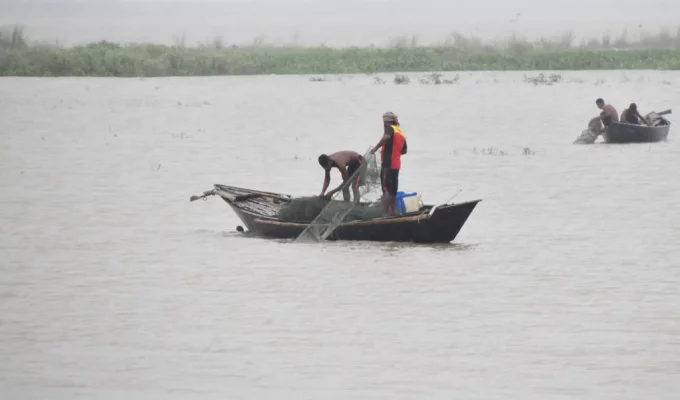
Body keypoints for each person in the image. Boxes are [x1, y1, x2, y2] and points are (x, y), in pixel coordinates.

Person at [370, 111, 407, 214]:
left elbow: (386, 137)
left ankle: (384, 214)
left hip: (387, 164)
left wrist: (376, 148)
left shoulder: (389, 128)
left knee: (386, 190)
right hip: (396, 165)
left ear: (386, 121)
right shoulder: (400, 132)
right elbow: (404, 151)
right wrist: (394, 151)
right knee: (393, 191)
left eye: (383, 122)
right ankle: (392, 212)